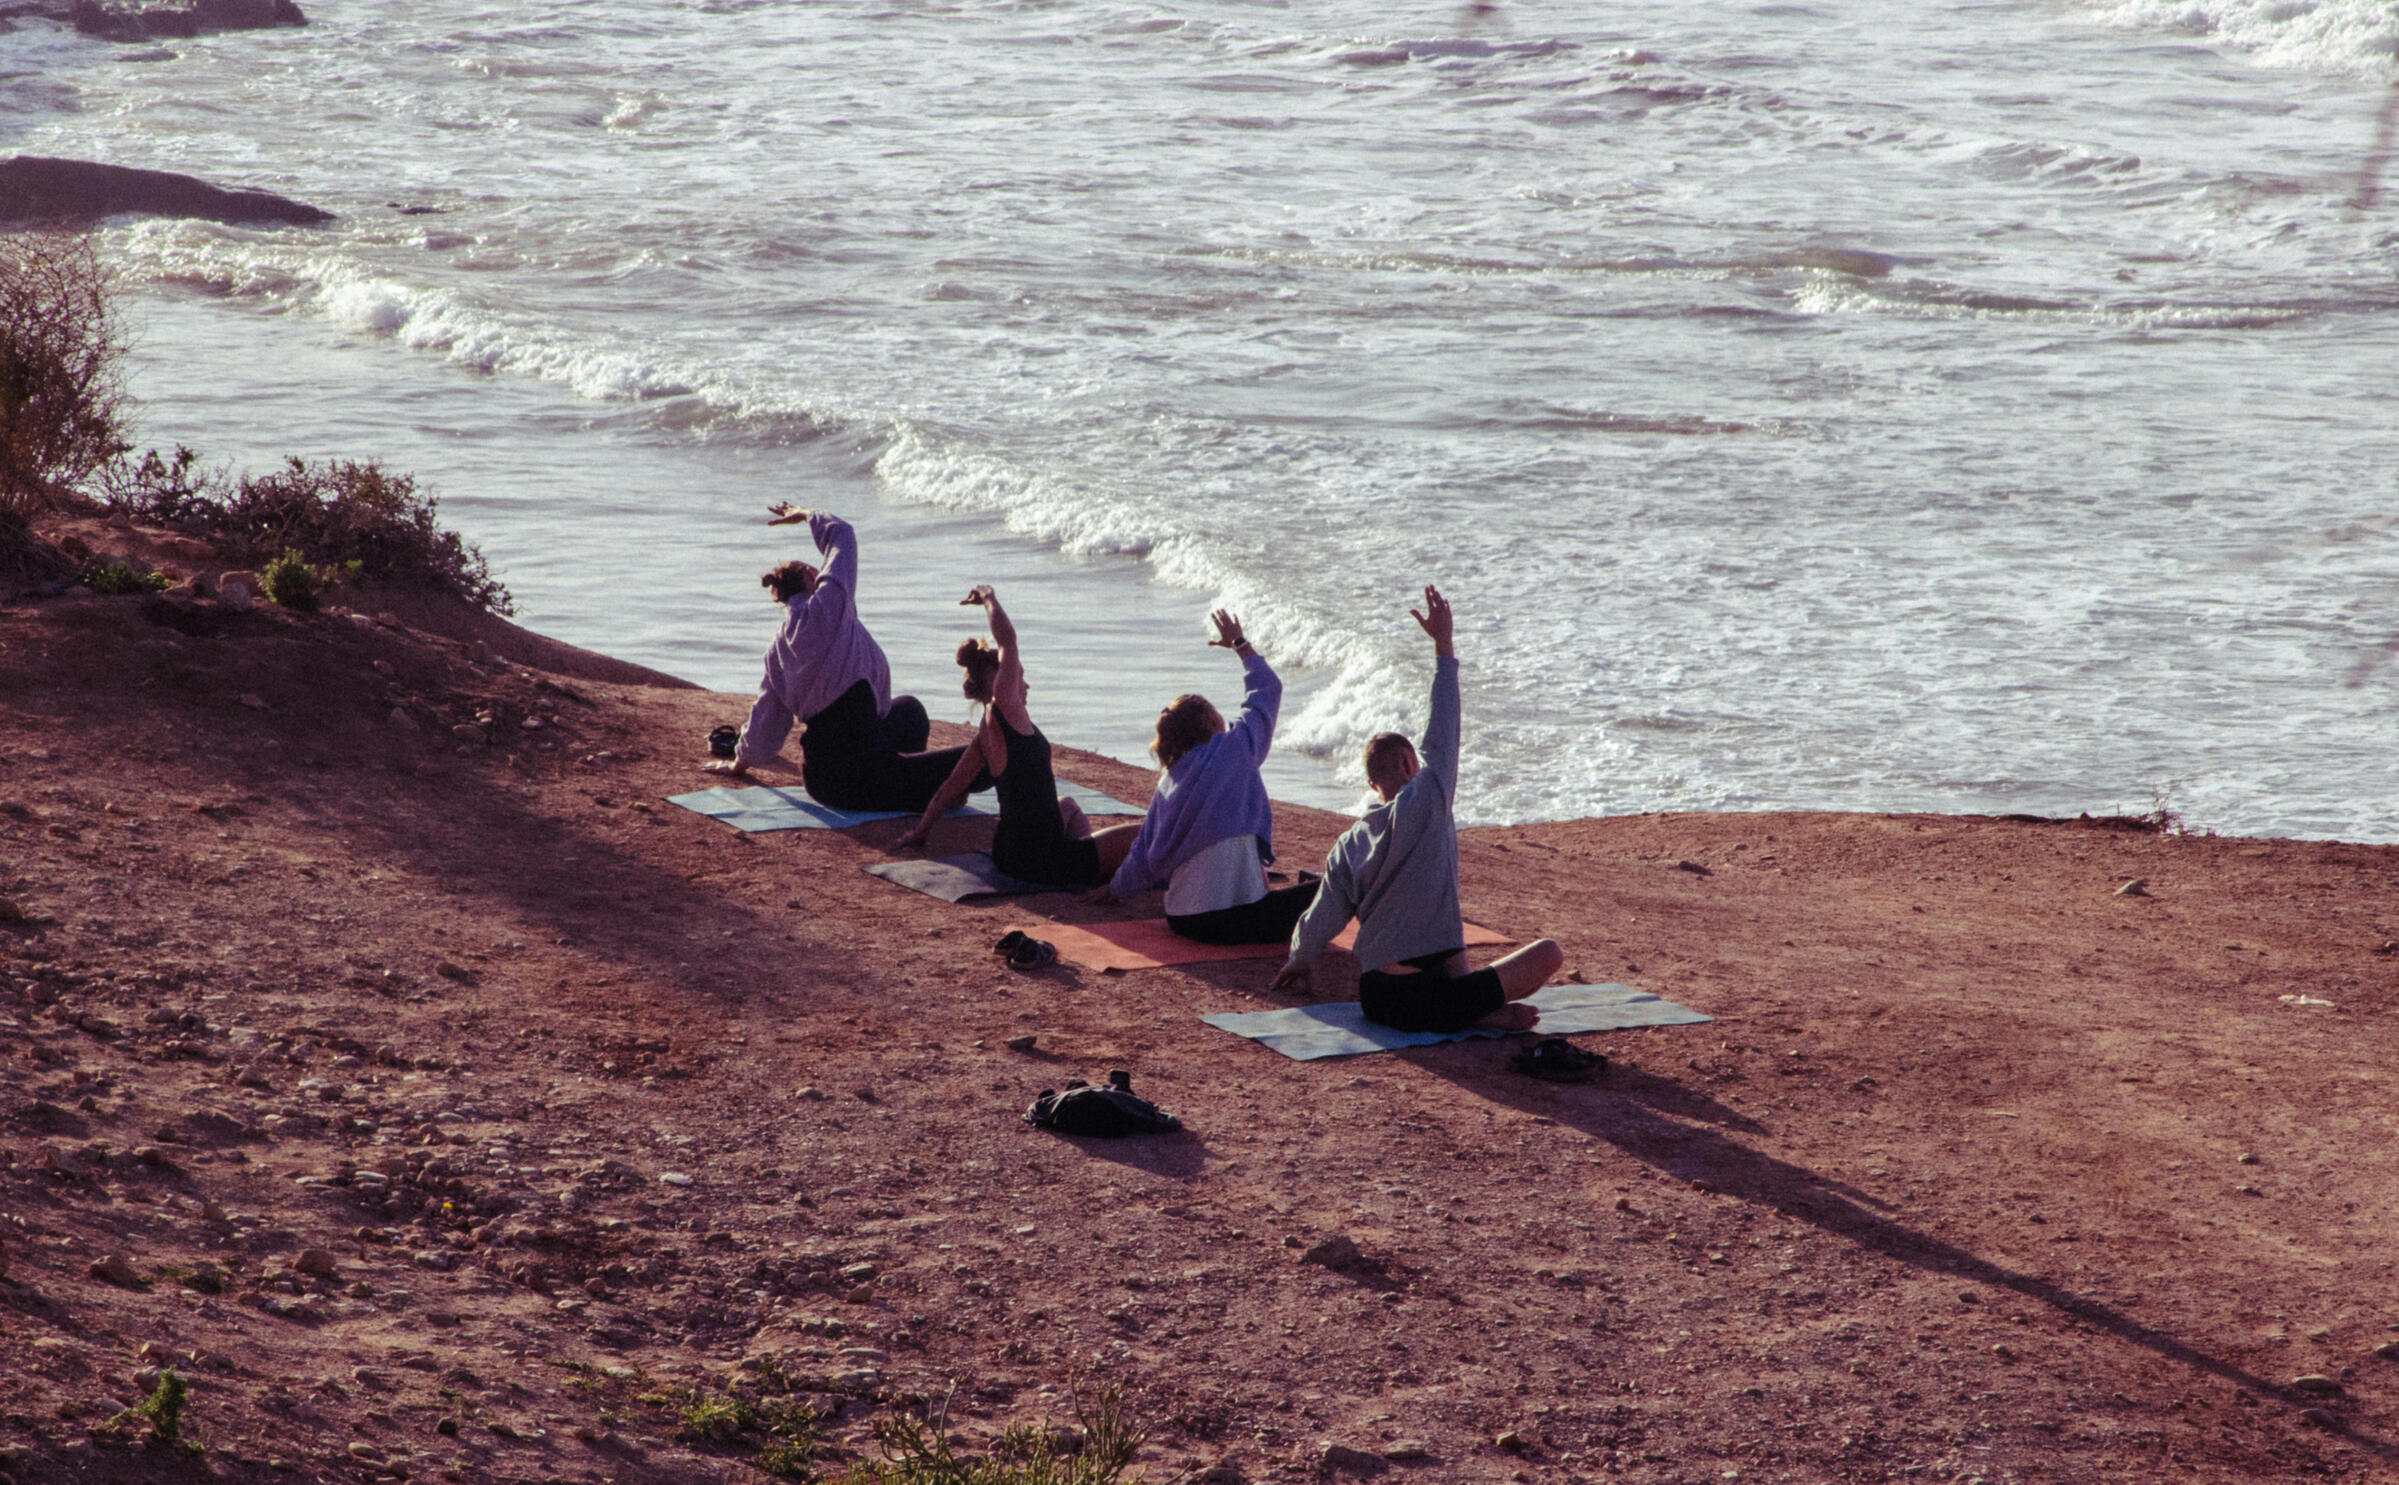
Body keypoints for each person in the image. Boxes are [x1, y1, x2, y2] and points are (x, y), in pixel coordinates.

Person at [1272, 586, 1563, 1032]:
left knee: (1450, 947)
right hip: (1425, 1000)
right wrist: (1443, 646)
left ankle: (1475, 1012)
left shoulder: (1349, 842)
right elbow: (1443, 726)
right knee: (1549, 954)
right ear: (1411, 764)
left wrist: (1299, 959)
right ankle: (1478, 1015)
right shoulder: (1428, 796)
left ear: (1372, 784)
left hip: (1380, 1001)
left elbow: (1322, 917)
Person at [702, 503, 988, 813]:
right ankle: (922, 789)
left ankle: (916, 782)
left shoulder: (776, 650)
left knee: (909, 710)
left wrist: (738, 764)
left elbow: (766, 718)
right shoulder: (831, 604)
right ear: (814, 575)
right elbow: (842, 536)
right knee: (989, 755)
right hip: (857, 781)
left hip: (823, 781)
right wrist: (808, 513)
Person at [1092, 610, 1318, 943]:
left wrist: (1112, 891)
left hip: (1181, 919)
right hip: (1232, 922)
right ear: (1212, 722)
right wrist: (1240, 645)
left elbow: (1142, 853)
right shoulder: (1236, 747)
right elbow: (1268, 688)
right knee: (1338, 885)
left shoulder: (1168, 783)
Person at [896, 585, 1142, 887]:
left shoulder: (984, 736)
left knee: (1068, 806)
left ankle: (1080, 863)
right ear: (1002, 682)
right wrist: (989, 598)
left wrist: (919, 834)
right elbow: (1008, 640)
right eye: (1020, 676)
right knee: (1145, 833)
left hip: (1009, 854)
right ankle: (1079, 867)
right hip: (1040, 860)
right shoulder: (1006, 708)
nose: (1025, 685)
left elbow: (948, 790)